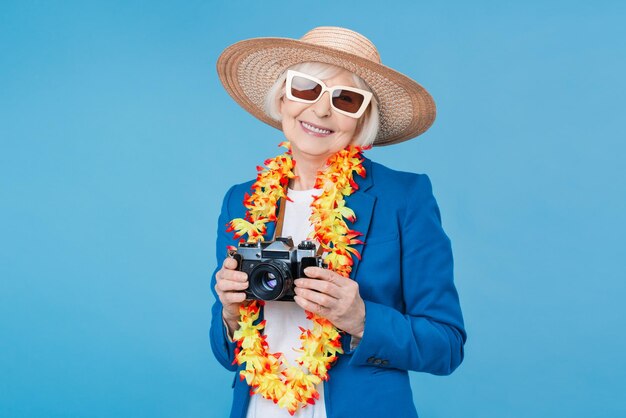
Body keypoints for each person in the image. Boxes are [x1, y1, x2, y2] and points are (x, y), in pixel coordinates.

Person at [210, 26, 466, 418]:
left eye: (345, 98)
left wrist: (361, 318)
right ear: (282, 97)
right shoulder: (240, 201)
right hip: (260, 408)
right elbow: (227, 352)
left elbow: (446, 346)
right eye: (307, 89)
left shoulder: (405, 198)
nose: (322, 110)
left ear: (363, 118)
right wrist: (229, 313)